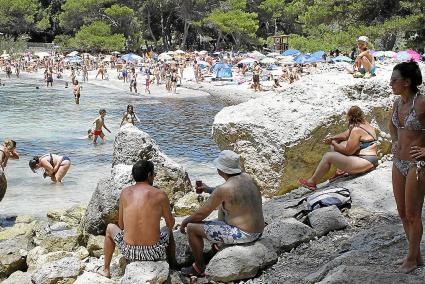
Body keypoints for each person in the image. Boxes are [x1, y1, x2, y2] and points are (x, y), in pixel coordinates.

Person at [180, 150, 265, 277]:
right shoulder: (247, 178)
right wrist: (208, 189)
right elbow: (230, 192)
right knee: (223, 205)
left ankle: (199, 267)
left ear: (221, 169)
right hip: (258, 230)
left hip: (245, 234)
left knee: (192, 228)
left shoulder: (223, 190)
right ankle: (219, 245)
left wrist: (184, 222)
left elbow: (200, 215)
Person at [98, 160, 176, 278]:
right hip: (153, 252)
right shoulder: (160, 194)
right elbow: (170, 224)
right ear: (149, 175)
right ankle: (173, 266)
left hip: (129, 251)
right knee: (167, 229)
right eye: (153, 174)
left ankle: (106, 269)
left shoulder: (125, 192)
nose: (154, 176)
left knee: (109, 228)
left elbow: (121, 225)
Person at [389, 61, 425, 273]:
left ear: (407, 82)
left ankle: (411, 258)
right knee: (402, 213)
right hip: (398, 162)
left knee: (413, 213)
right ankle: (415, 255)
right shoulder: (397, 103)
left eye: (394, 80)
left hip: (417, 163)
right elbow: (392, 125)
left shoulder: (421, 103)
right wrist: (394, 141)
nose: (390, 84)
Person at [298, 106, 378, 190]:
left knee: (328, 156)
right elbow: (345, 135)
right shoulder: (364, 124)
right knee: (338, 144)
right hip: (370, 158)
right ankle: (340, 171)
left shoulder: (356, 130)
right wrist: (333, 139)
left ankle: (311, 182)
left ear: (350, 117)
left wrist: (332, 142)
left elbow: (348, 152)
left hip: (365, 161)